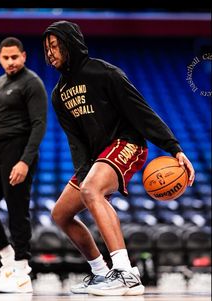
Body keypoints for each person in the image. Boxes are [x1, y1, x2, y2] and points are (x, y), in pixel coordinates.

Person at [43, 21, 195, 296]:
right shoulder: (58, 94)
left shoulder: (103, 72)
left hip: (128, 143)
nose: (50, 53)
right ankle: (101, 273)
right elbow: (76, 142)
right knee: (61, 214)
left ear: (70, 44)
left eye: (54, 46)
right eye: (47, 48)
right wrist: (88, 173)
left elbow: (141, 111)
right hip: (96, 156)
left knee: (91, 190)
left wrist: (174, 148)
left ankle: (125, 273)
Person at [0, 37, 47, 293]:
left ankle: (22, 270)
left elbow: (39, 124)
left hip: (19, 149)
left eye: (14, 57)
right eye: (5, 58)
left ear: (24, 56)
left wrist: (25, 161)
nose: (10, 62)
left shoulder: (32, 83)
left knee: (17, 209)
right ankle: (7, 259)